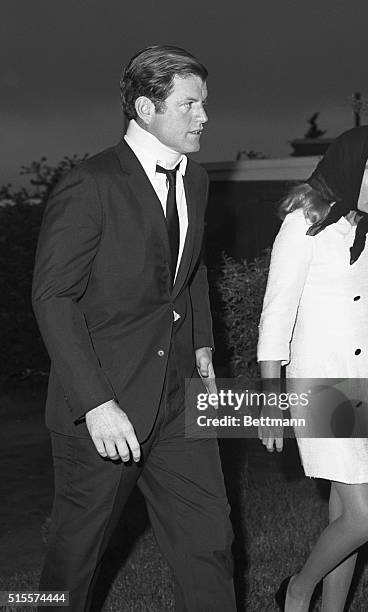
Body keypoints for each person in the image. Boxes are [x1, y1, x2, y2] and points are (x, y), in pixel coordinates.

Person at [32, 45, 236, 612]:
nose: (204, 117)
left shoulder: (195, 179)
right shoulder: (90, 184)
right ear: (146, 108)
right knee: (71, 565)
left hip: (178, 399)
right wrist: (96, 402)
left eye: (204, 103)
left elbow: (187, 271)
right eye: (190, 104)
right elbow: (52, 296)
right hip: (106, 401)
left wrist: (201, 343)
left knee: (209, 544)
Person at [257, 126, 368, 612]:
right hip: (324, 382)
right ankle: (298, 592)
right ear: (351, 169)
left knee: (344, 511)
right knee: (367, 518)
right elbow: (276, 315)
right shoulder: (302, 225)